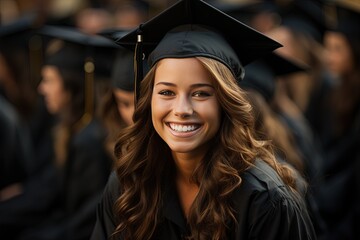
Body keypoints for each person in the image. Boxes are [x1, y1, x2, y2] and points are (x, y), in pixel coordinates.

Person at [91, 0, 316, 239]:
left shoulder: (265, 201)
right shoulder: (128, 185)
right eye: (167, 92)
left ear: (225, 103)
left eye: (200, 93)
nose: (182, 109)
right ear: (148, 101)